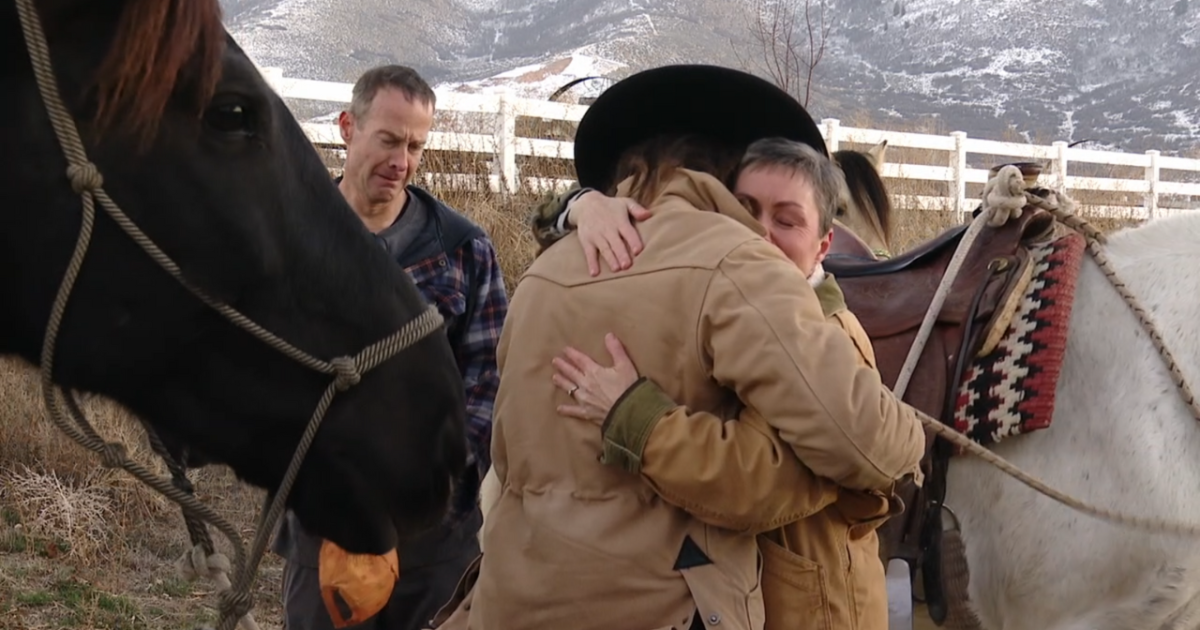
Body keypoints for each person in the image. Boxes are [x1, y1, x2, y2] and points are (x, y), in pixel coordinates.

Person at [433, 64, 925, 630]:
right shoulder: (735, 262)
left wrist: (573, 207)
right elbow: (866, 446)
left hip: (512, 602)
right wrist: (905, 439)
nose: (759, 228)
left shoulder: (542, 276)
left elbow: (507, 452)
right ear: (724, 173)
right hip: (667, 606)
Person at [543, 136, 905, 630]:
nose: (758, 231)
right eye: (745, 208)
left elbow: (755, 482)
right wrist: (581, 205)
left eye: (787, 219)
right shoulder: (725, 302)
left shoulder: (821, 340)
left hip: (812, 609)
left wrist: (632, 416)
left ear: (824, 245)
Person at [272, 64, 509, 630]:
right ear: (347, 127)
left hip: (436, 537)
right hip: (321, 528)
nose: (402, 161)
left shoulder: (461, 249)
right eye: (388, 140)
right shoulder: (286, 239)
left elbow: (491, 380)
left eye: (415, 146)